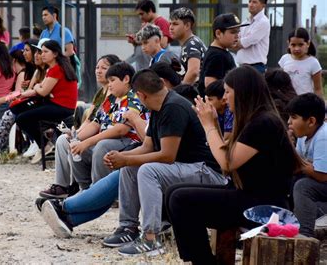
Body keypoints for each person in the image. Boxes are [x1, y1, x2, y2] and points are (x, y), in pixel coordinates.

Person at [166, 66, 302, 264]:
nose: (224, 98)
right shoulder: (254, 119)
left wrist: (209, 126)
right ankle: (200, 258)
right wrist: (212, 124)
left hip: (267, 206)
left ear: (243, 92)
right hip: (249, 196)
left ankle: (203, 261)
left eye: (228, 92)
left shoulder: (263, 122)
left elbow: (227, 162)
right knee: (173, 192)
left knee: (180, 199)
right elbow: (227, 159)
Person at [35, 62, 183, 238]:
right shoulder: (155, 107)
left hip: (135, 147)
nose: (109, 83)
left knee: (117, 163)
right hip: (144, 155)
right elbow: (148, 145)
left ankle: (66, 206)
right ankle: (71, 218)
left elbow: (164, 153)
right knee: (81, 149)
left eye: (112, 79)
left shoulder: (168, 106)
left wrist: (126, 157)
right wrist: (81, 139)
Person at [102, 69, 225, 256]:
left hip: (206, 171)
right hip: (188, 168)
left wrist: (126, 158)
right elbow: (147, 146)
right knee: (131, 168)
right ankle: (128, 228)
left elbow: (167, 155)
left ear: (141, 95)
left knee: (148, 171)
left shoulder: (173, 107)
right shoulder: (159, 106)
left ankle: (151, 238)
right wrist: (120, 157)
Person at [14, 40, 78, 155]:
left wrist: (37, 86)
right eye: (41, 51)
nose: (42, 54)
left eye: (45, 52)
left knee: (22, 118)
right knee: (19, 110)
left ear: (55, 54)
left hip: (61, 108)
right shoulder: (53, 68)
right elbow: (39, 89)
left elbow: (42, 91)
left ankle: (44, 144)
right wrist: (23, 94)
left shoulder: (57, 69)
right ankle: (40, 142)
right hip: (56, 104)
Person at [287, 93, 327, 238]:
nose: (289, 122)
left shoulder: (323, 136)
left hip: (323, 181)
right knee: (292, 180)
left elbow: (322, 175)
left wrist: (301, 164)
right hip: (321, 188)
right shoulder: (303, 135)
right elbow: (296, 166)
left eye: (294, 117)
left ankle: (304, 235)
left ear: (311, 121)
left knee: (303, 186)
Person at [198, 13, 247, 96]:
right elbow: (210, 85)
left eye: (238, 32)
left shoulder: (220, 52)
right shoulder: (216, 55)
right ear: (218, 33)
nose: (237, 36)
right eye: (233, 32)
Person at [278, 28, 323, 97]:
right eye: (293, 45)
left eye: (300, 45)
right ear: (288, 44)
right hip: (287, 101)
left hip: (305, 103)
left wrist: (319, 106)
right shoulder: (284, 59)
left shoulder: (313, 63)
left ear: (308, 44)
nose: (297, 48)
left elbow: (318, 89)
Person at [233, 0, 270, 73]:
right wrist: (237, 42)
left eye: (254, 2)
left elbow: (244, 42)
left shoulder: (263, 22)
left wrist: (238, 43)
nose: (251, 4)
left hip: (255, 67)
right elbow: (235, 41)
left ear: (263, 5)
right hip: (242, 66)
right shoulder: (246, 22)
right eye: (250, 1)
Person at [169, 7, 207, 85]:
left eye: (175, 24)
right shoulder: (189, 43)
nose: (171, 27)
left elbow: (193, 72)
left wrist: (180, 91)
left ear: (187, 26)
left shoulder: (191, 44)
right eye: (170, 24)